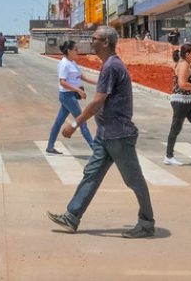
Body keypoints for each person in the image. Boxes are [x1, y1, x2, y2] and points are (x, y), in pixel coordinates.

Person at [46, 26, 155, 239]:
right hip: (106, 134)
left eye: (94, 38)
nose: (91, 41)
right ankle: (72, 215)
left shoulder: (112, 66)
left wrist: (75, 124)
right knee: (91, 174)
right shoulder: (108, 65)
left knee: (134, 179)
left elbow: (97, 100)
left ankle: (146, 222)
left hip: (119, 134)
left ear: (105, 42)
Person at [46, 40, 94, 154]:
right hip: (67, 96)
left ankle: (50, 147)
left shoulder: (72, 62)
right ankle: (95, 149)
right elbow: (62, 82)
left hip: (69, 96)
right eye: (75, 49)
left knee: (58, 122)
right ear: (69, 51)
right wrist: (78, 90)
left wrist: (97, 82)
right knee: (82, 121)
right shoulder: (64, 64)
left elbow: (81, 76)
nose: (78, 51)